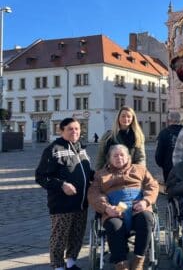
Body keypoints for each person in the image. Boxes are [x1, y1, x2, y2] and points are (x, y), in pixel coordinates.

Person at [88, 144, 159, 270]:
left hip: (138, 208)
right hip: (114, 210)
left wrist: (146, 201)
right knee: (114, 226)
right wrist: (107, 208)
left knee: (146, 219)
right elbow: (94, 194)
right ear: (109, 158)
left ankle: (138, 259)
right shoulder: (100, 175)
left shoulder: (140, 169)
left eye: (122, 155)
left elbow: (152, 186)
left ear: (128, 157)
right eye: (115, 155)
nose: (119, 158)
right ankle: (121, 263)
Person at [35, 117, 93, 270]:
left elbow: (86, 172)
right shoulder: (53, 150)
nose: (74, 131)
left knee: (77, 235)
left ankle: (71, 262)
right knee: (60, 236)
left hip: (81, 203)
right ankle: (58, 265)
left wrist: (101, 176)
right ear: (61, 131)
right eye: (70, 129)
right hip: (62, 204)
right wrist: (62, 185)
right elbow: (41, 177)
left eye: (77, 129)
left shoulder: (81, 148)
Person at [96, 106, 146, 170]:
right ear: (118, 118)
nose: (126, 118)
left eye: (128, 116)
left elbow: (140, 158)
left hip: (130, 174)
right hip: (110, 174)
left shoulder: (138, 136)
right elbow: (101, 157)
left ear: (132, 119)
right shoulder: (108, 136)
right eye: (123, 116)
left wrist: (138, 173)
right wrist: (98, 173)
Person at [154, 111, 183, 183]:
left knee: (170, 188)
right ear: (179, 120)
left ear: (169, 120)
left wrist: (161, 164)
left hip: (168, 167)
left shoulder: (163, 133)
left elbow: (159, 152)